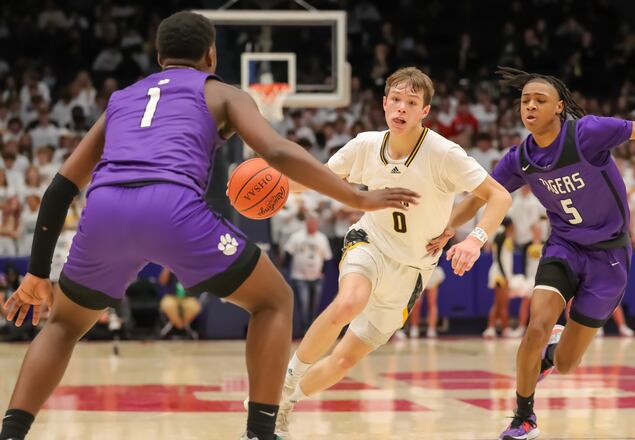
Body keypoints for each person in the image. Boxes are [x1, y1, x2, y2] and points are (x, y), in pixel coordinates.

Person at [0, 11, 418, 440]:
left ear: (159, 56)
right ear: (211, 55)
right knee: (274, 301)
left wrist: (36, 272)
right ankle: (259, 433)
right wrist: (358, 197)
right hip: (170, 207)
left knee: (64, 325)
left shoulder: (123, 98)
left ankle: (11, 433)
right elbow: (275, 150)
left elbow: (60, 188)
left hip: (104, 209)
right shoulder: (220, 92)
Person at [427, 68, 635, 440]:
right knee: (536, 325)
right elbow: (480, 196)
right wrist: (448, 228)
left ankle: (551, 355)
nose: (530, 106)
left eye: (539, 100)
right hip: (564, 246)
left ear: (559, 107)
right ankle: (523, 417)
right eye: (525, 100)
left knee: (567, 363)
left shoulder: (588, 133)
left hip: (608, 256)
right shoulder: (519, 159)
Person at [271, 67, 512, 438]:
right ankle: (281, 384)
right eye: (396, 100)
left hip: (413, 269)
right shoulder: (364, 145)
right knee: (349, 301)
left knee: (344, 360)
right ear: (384, 103)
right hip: (370, 241)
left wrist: (471, 237)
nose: (401, 108)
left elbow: (498, 195)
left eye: (411, 102)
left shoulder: (444, 153)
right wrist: (274, 187)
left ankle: (286, 403)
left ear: (425, 111)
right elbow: (317, 180)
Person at [282, 215, 333, 331]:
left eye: (314, 223)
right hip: (300, 276)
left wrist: (322, 272)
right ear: (306, 224)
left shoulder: (322, 238)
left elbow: (327, 257)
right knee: (303, 304)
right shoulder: (297, 236)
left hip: (316, 277)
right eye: (310, 223)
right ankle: (304, 329)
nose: (312, 226)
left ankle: (311, 328)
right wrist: (285, 270)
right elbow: (288, 254)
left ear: (317, 225)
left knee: (314, 305)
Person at [484, 217, 517, 338]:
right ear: (509, 225)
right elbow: (498, 257)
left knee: (498, 303)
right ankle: (505, 329)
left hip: (501, 273)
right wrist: (504, 275)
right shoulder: (501, 235)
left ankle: (491, 328)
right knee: (503, 304)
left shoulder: (504, 235)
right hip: (500, 274)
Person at [404, 265, 444, 338]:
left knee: (432, 303)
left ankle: (431, 329)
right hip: (419, 270)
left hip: (433, 270)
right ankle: (414, 328)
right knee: (416, 303)